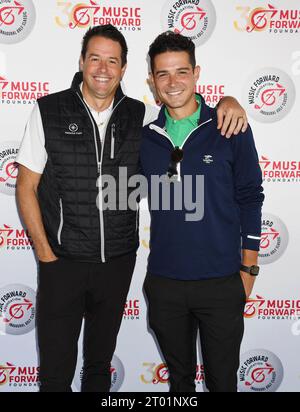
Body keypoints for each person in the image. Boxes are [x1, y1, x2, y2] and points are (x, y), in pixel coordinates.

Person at [16, 24, 248, 392]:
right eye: (95, 59)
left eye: (113, 61)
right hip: (63, 261)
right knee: (55, 373)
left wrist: (228, 102)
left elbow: (183, 119)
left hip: (118, 262)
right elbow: (26, 187)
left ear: (124, 69)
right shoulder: (48, 110)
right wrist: (46, 255)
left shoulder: (138, 116)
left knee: (98, 366)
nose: (103, 69)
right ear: (81, 61)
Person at [140, 31, 264, 392]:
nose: (173, 82)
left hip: (222, 282)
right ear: (152, 81)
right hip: (164, 283)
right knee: (180, 385)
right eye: (163, 73)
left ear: (197, 73)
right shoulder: (145, 136)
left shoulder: (230, 126)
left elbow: (251, 197)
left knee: (223, 382)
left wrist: (248, 270)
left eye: (181, 71)